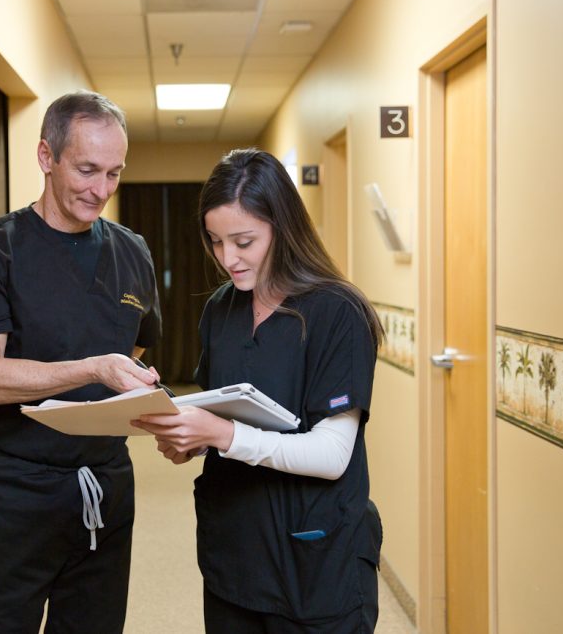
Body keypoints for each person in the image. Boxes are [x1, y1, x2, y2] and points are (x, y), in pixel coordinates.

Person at [0, 91, 162, 633]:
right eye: (87, 170)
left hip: (107, 486)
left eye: (113, 173)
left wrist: (121, 385)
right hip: (18, 490)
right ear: (46, 156)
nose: (101, 190)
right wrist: (93, 369)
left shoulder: (132, 252)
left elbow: (136, 346)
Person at [134, 148, 384, 633]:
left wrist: (223, 435)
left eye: (244, 241)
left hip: (316, 559)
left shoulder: (337, 313)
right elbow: (220, 418)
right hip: (235, 555)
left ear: (282, 227)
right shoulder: (221, 311)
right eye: (215, 241)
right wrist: (187, 438)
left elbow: (333, 454)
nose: (228, 258)